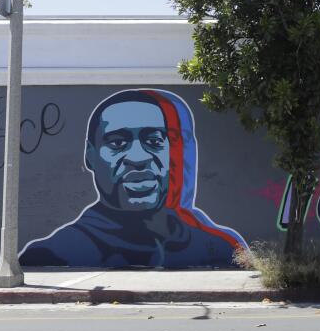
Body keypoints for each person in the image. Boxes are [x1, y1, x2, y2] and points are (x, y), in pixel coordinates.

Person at [19, 89, 245, 268]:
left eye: (155, 141)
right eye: (117, 143)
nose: (138, 158)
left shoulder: (220, 246)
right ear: (90, 156)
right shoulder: (54, 253)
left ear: (177, 153)